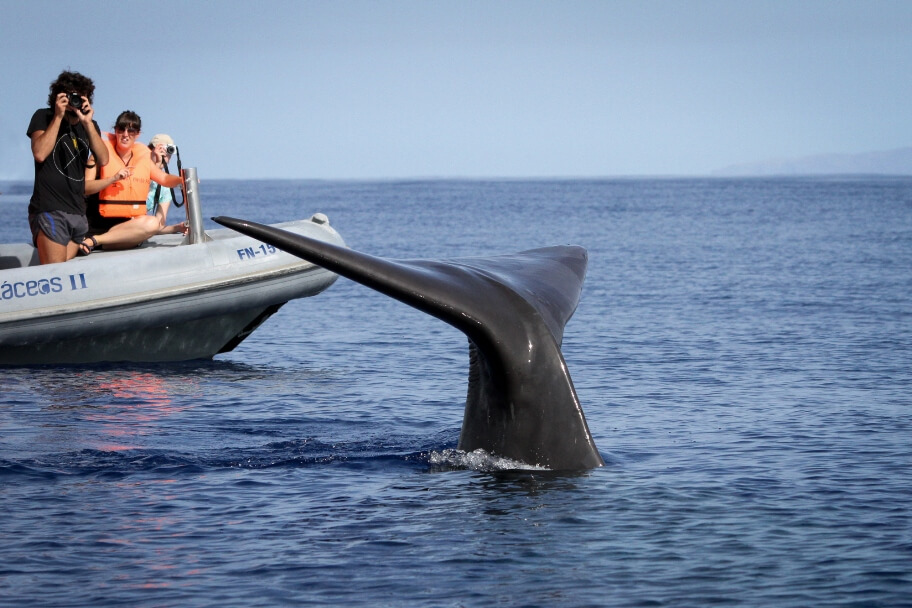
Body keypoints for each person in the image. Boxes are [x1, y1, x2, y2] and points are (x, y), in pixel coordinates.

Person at [26, 70, 109, 264]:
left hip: (79, 213)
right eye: (70, 95)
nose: (75, 101)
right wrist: (58, 116)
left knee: (61, 267)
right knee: (54, 272)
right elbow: (39, 153)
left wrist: (87, 123)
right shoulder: (44, 116)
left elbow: (104, 159)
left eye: (80, 96)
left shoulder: (90, 125)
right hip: (50, 209)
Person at [83, 111, 184, 251]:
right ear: (115, 131)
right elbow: (85, 187)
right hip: (96, 224)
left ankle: (96, 241)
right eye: (121, 129)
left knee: (152, 223)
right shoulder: (99, 154)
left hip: (123, 231)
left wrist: (183, 180)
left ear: (138, 134)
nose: (125, 134)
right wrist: (113, 179)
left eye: (131, 131)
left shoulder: (143, 158)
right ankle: (93, 239)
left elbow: (164, 179)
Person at [145, 133, 187, 235]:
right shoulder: (134, 170)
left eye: (168, 151)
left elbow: (158, 226)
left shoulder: (164, 186)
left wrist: (177, 228)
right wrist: (155, 165)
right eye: (160, 150)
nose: (164, 155)